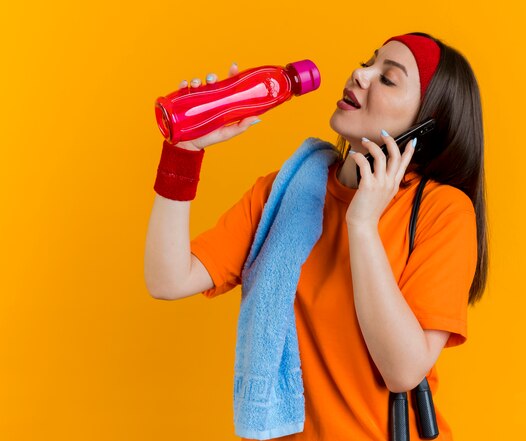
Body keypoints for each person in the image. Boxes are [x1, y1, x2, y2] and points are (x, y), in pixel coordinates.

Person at [144, 32, 488, 441]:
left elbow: (403, 370)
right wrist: (183, 152)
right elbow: (168, 279)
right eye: (368, 61)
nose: (361, 74)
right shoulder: (287, 191)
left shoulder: (441, 210)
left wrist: (361, 224)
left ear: (425, 126)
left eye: (388, 78)